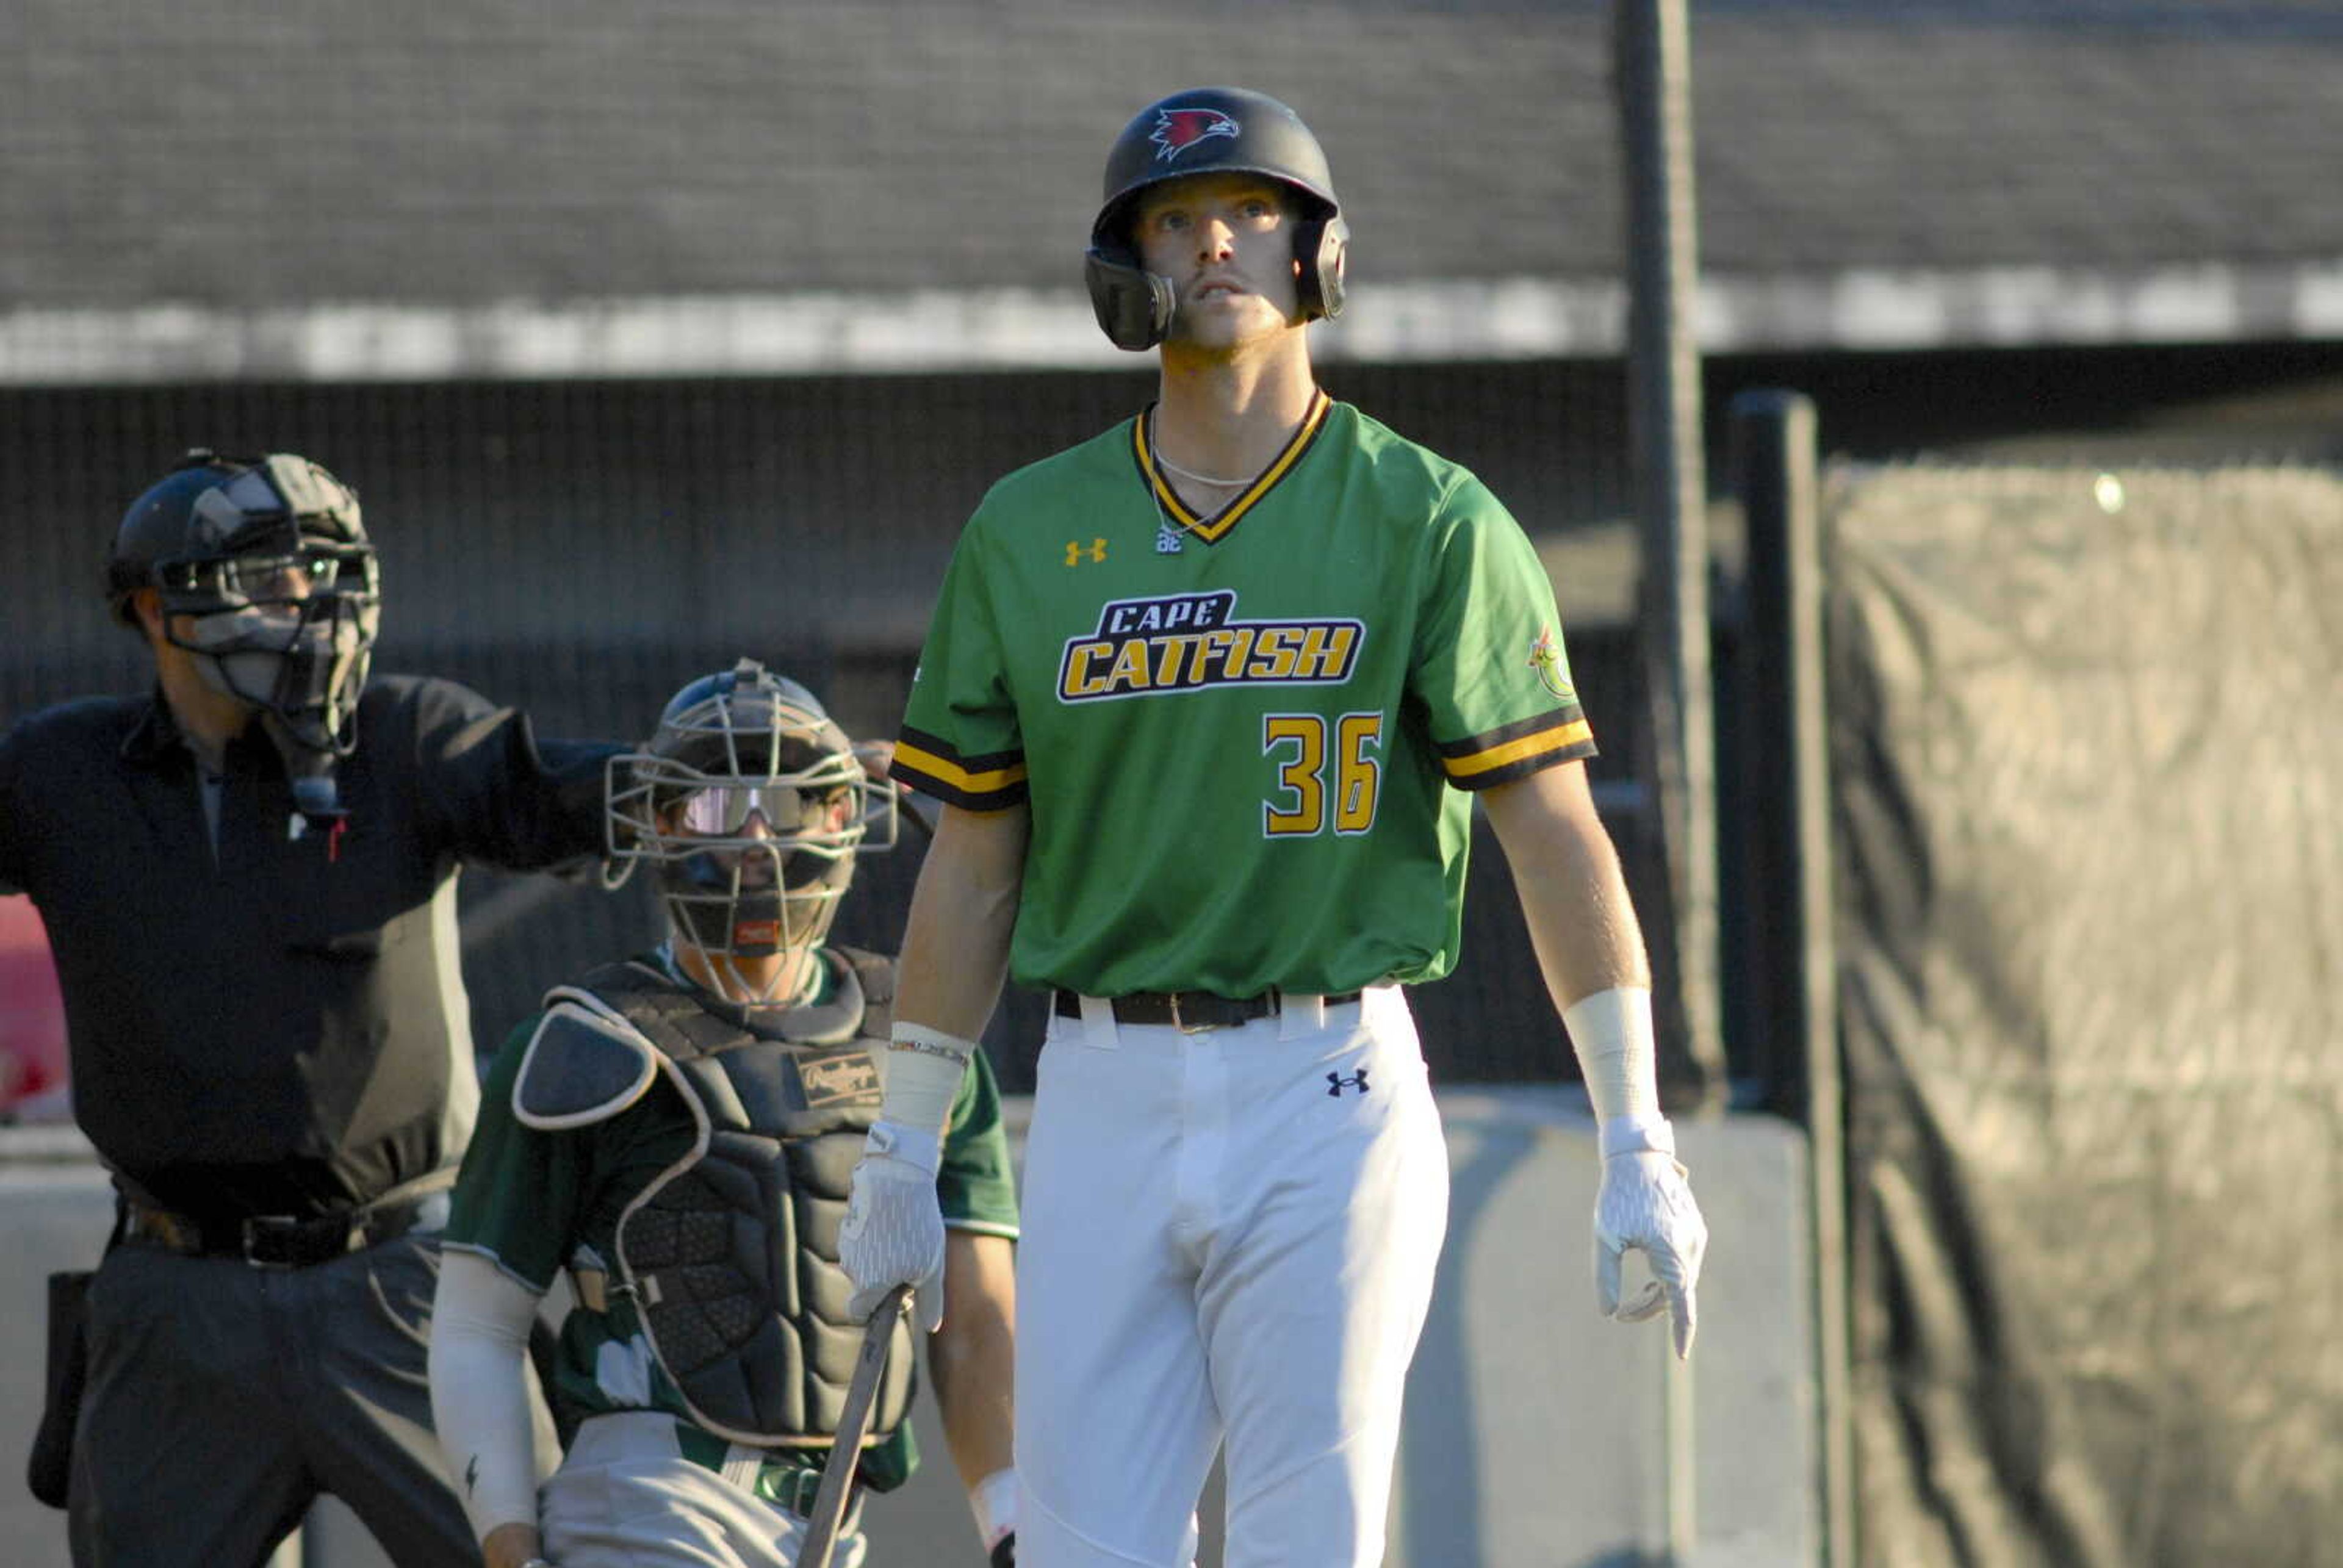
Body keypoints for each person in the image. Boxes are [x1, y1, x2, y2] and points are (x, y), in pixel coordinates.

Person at [838, 87, 1710, 1567]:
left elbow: (1553, 831)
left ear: (1319, 252)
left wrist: (1635, 1127)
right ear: (1127, 277)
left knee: (1308, 1543)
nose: (1216, 240)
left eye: (1251, 209)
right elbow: (974, 861)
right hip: (1099, 1086)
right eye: (1175, 220)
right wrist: (903, 1145)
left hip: (1327, 1086)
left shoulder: (1428, 518)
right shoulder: (1029, 531)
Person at [0, 449, 620, 1566]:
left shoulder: (405, 737)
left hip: (407, 1285)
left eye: (327, 575)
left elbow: (542, 790)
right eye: (274, 579)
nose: (312, 608)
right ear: (155, 604)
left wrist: (705, 780)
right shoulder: (61, 772)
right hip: (172, 1302)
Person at [430, 658, 1020, 1568]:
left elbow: (977, 1321)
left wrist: (1015, 1521)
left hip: (835, 1516)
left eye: (787, 805)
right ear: (657, 824)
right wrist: (510, 1549)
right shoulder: (589, 1043)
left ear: (842, 817)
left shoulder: (926, 1034)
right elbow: (477, 1325)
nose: (754, 842)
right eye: (711, 808)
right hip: (646, 1500)